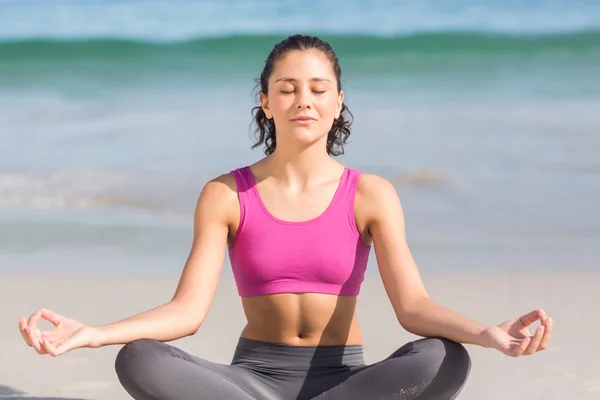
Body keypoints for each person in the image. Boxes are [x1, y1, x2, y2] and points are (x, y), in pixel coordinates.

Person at [19, 34, 553, 400]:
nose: (304, 100)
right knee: (139, 358)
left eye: (318, 89)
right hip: (251, 382)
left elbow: (412, 307)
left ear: (338, 101)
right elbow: (187, 312)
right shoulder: (226, 193)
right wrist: (94, 334)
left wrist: (486, 332)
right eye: (287, 88)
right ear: (266, 103)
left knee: (445, 358)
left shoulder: (371, 194)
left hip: (347, 382)